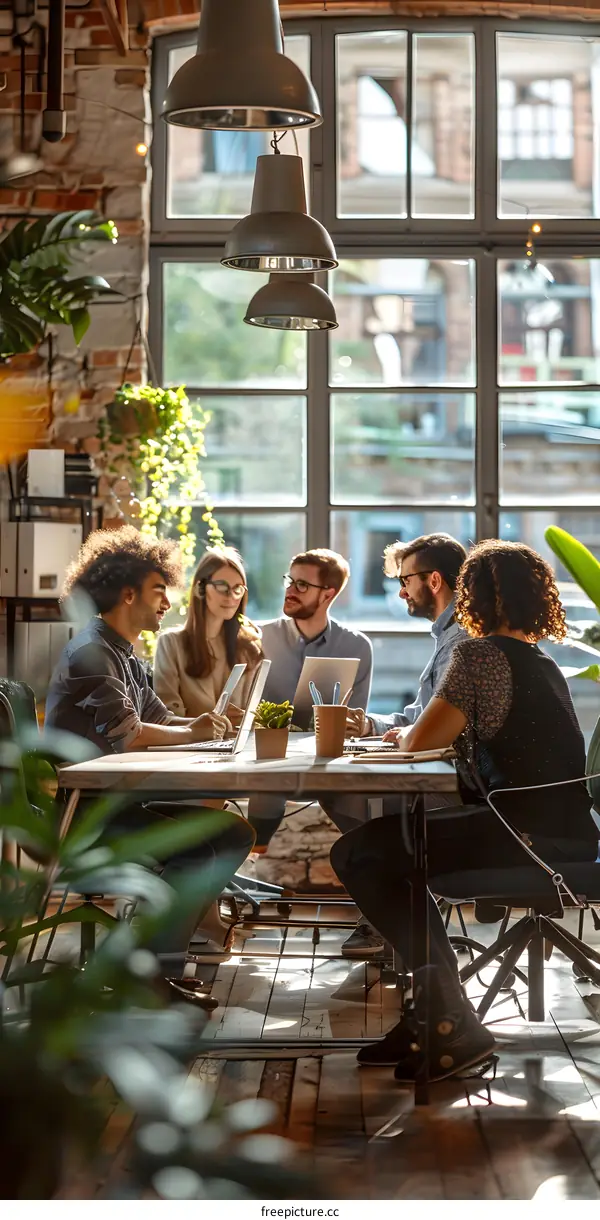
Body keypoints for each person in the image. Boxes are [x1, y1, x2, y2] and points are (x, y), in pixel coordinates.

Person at [331, 539, 598, 1081]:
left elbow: (422, 739)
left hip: (524, 836)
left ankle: (447, 1012)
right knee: (392, 844)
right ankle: (435, 1012)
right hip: (565, 832)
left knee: (364, 849)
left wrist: (407, 732)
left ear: (473, 593)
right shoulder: (540, 660)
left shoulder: (478, 655)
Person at [45, 527, 255, 1008]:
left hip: (118, 804)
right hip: (85, 819)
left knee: (233, 833)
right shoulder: (91, 652)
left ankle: (152, 959)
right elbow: (130, 733)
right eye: (160, 590)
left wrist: (212, 726)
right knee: (199, 853)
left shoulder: (124, 652)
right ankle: (148, 975)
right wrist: (196, 734)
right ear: (127, 593)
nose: (167, 601)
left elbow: (161, 720)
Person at [337, 532, 468, 959]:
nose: (400, 591)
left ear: (433, 581)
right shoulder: (447, 640)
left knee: (358, 829)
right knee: (342, 791)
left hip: (463, 791)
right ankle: (389, 910)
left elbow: (432, 732)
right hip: (455, 780)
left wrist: (401, 736)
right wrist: (369, 723)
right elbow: (419, 718)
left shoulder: (463, 645)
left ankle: (386, 905)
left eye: (405, 579)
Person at [249, 548, 373, 849]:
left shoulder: (357, 646)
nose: (290, 590)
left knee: (367, 826)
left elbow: (352, 723)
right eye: (289, 581)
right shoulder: (256, 638)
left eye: (302, 585)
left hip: (328, 764)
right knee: (266, 788)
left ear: (328, 594)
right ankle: (250, 854)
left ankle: (374, 870)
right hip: (265, 763)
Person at [154, 545, 262, 718]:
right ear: (200, 589)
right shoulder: (171, 644)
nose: (231, 596)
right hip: (187, 744)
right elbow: (167, 716)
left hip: (238, 744)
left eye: (237, 588)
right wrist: (210, 724)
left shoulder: (248, 647)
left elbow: (253, 714)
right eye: (222, 586)